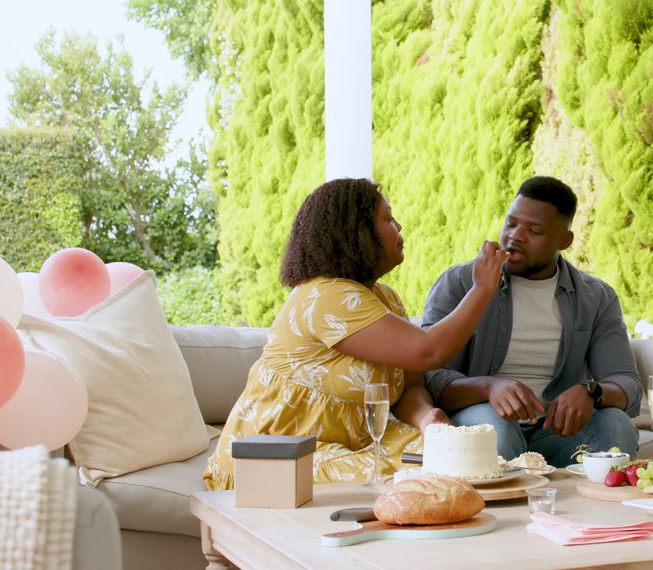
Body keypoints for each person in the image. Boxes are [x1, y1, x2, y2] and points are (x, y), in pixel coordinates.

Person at [203, 178, 507, 488]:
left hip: (351, 447)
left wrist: (427, 418)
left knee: (455, 458)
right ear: (358, 234)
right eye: (387, 218)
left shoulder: (385, 299)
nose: (399, 226)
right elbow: (429, 352)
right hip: (278, 454)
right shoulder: (325, 296)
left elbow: (409, 387)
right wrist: (482, 288)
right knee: (423, 477)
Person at [421, 176, 641, 467]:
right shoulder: (460, 283)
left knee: (616, 425)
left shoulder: (595, 297)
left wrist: (591, 391)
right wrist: (489, 387)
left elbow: (627, 383)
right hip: (484, 419)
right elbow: (433, 377)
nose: (516, 236)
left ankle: (588, 512)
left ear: (564, 240)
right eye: (511, 224)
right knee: (495, 425)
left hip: (556, 432)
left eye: (534, 230)